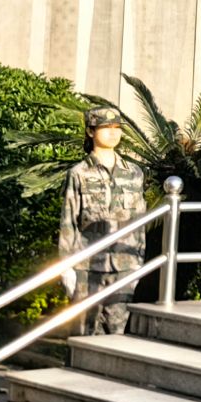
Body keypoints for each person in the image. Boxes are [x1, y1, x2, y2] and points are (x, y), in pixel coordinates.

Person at [58, 106, 148, 336]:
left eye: (117, 127)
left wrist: (139, 262)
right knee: (83, 332)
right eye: (106, 127)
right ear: (91, 131)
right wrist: (66, 267)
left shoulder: (134, 172)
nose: (113, 132)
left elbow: (140, 220)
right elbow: (69, 220)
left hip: (124, 265)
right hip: (87, 266)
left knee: (116, 332)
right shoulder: (79, 173)